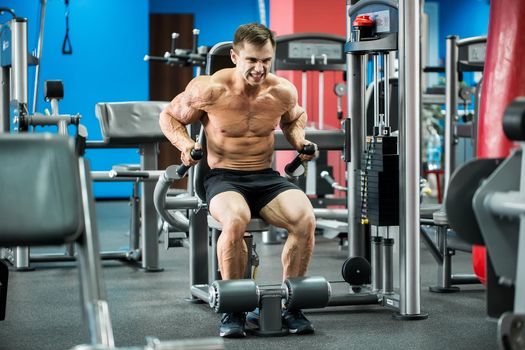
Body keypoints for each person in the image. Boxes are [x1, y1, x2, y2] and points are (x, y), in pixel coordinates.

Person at [159, 23, 318, 338]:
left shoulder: (282, 91)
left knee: (305, 219)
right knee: (235, 220)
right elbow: (170, 116)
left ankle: (293, 307)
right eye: (252, 61)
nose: (260, 69)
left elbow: (294, 117)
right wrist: (185, 146)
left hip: (265, 177)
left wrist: (300, 141)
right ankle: (233, 310)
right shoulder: (209, 89)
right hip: (223, 177)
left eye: (266, 61)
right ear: (234, 56)